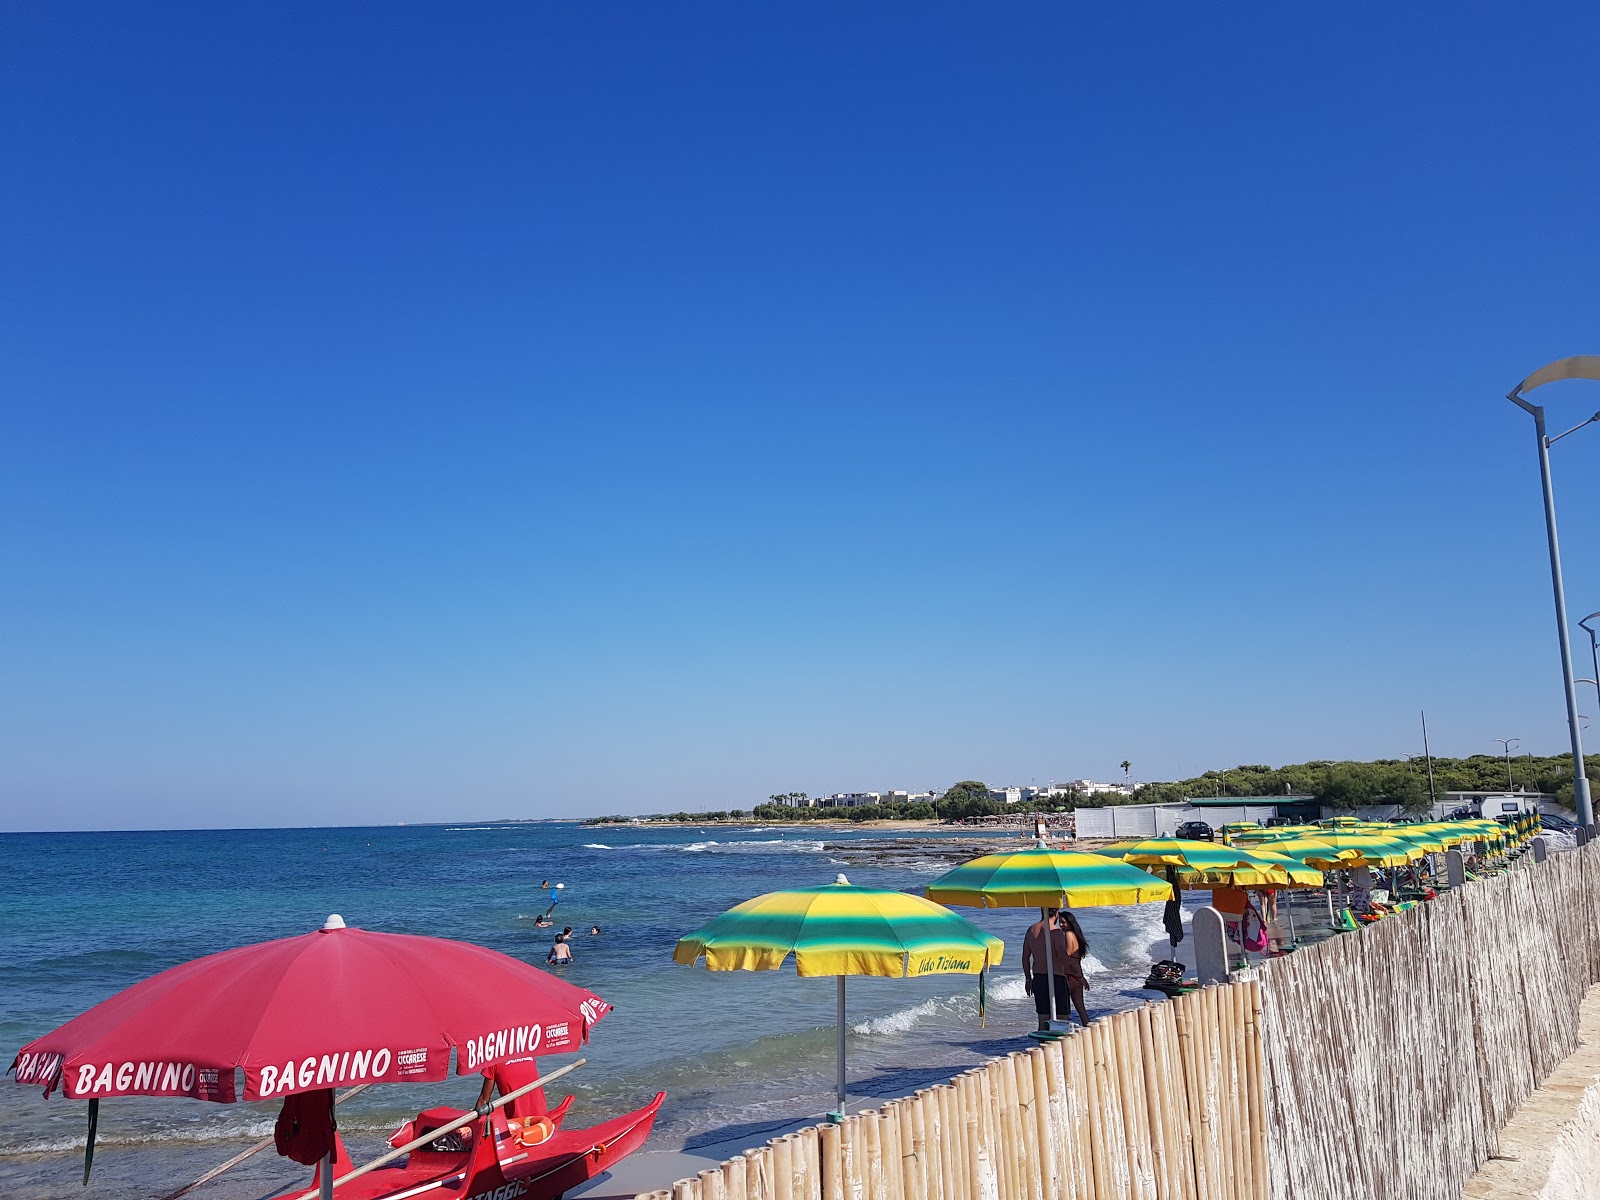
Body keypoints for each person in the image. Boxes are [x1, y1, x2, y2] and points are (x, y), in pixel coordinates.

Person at [1021, 906, 1090, 1030]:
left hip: (1038, 977)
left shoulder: (1031, 930)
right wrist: (1078, 976)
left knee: (1043, 1020)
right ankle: (1058, 1048)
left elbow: (1025, 958)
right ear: (1056, 913)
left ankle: (1041, 1047)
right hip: (1056, 978)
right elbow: (1063, 957)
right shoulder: (1055, 931)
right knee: (1061, 1020)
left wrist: (1028, 979)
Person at [474, 1056, 548, 1120]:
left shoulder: (493, 1061)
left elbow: (484, 1099)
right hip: (542, 1116)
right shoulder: (527, 1053)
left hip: (517, 1121)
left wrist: (473, 1120)